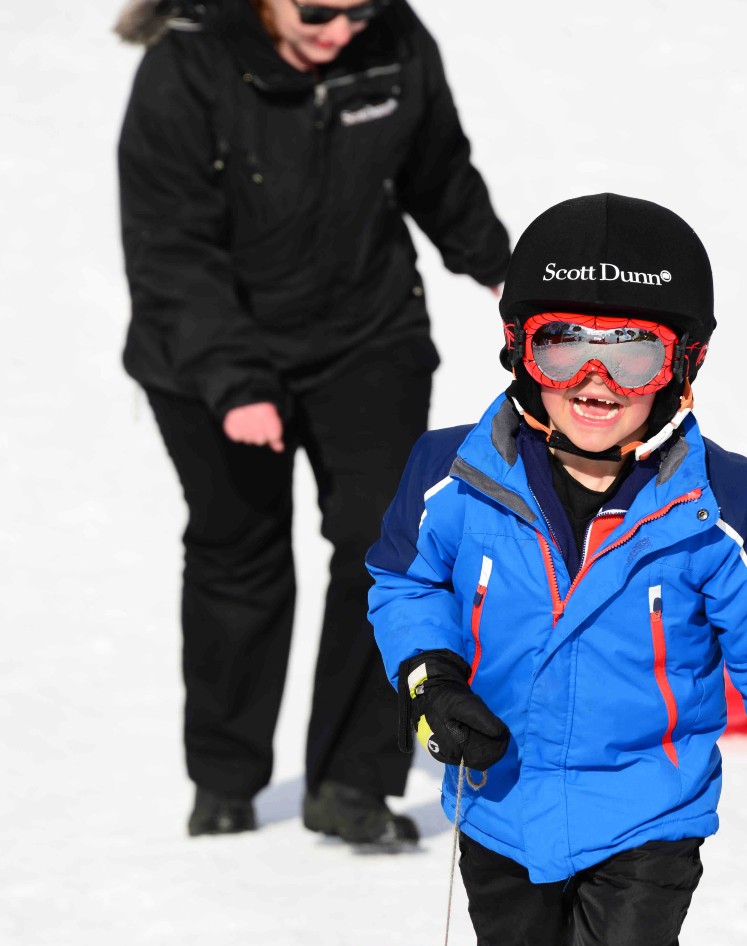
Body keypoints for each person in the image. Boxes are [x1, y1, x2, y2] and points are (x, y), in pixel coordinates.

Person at [367, 193, 747, 946]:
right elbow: (404, 583)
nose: (595, 383)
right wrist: (429, 678)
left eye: (633, 355)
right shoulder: (451, 478)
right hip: (502, 796)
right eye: (563, 347)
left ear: (684, 364)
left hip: (648, 812)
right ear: (518, 350)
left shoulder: (720, 509)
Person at [114, 0, 510, 842]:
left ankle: (352, 785)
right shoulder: (185, 67)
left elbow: (437, 168)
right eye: (321, 11)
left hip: (363, 332)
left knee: (385, 547)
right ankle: (224, 776)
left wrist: (500, 270)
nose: (341, 31)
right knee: (239, 549)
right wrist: (235, 380)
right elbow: (170, 249)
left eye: (360, 10)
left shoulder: (394, 43)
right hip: (209, 348)